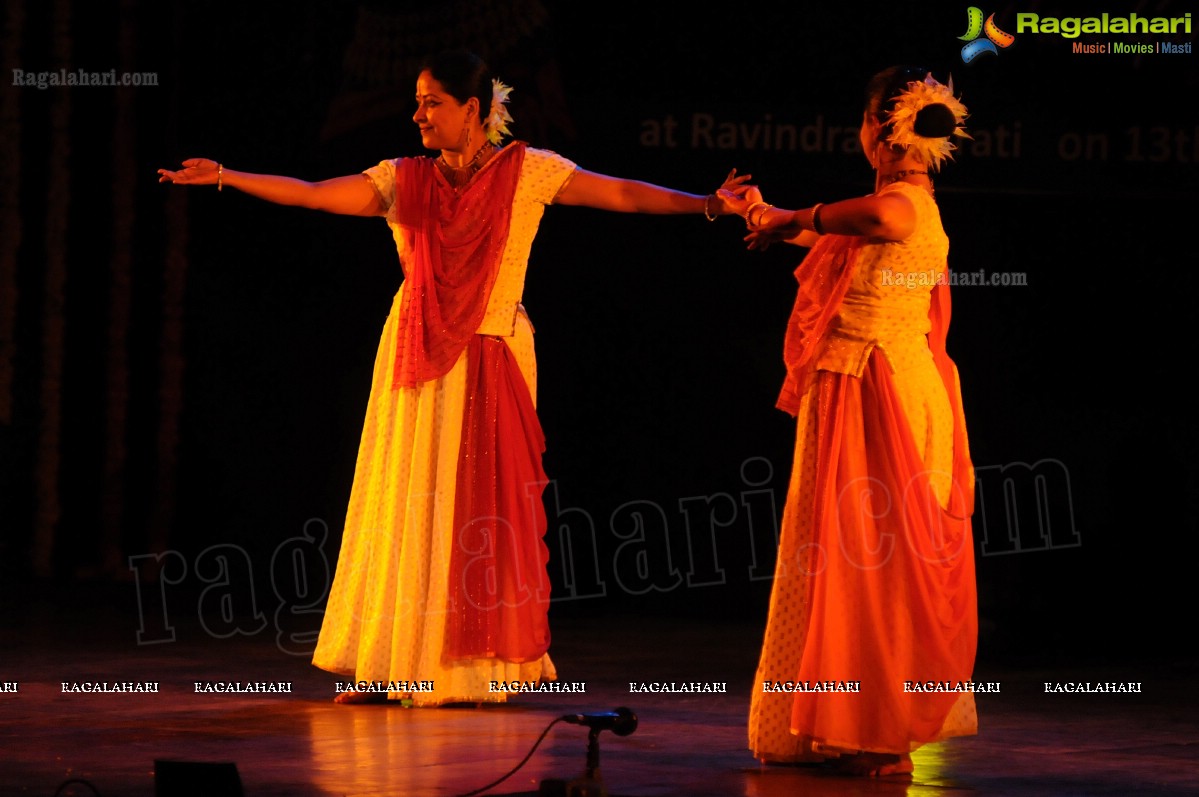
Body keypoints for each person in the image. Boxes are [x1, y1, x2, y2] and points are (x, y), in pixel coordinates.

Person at [158, 50, 748, 706]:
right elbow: (319, 194)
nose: (417, 115)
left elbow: (619, 194)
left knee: (474, 511)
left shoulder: (528, 172)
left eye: (431, 102)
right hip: (415, 353)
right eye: (416, 101)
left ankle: (463, 669)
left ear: (473, 109)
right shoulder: (401, 179)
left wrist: (707, 206)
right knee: (409, 505)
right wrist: (228, 177)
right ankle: (392, 663)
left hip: (490, 350)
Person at [719, 66, 977, 776]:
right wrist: (769, 217)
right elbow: (850, 247)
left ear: (881, 129)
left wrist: (795, 216)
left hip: (872, 392)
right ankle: (833, 722)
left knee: (864, 564)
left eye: (865, 121)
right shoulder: (905, 208)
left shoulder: (904, 204)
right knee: (846, 560)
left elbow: (877, 222)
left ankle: (873, 728)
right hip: (880, 387)